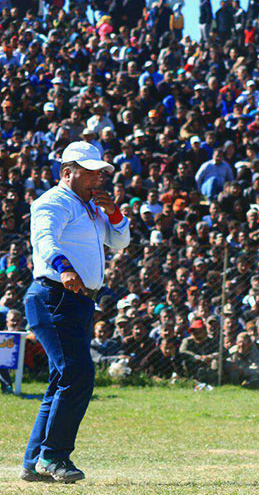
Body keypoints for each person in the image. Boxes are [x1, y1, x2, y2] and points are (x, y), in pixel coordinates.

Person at [21, 141, 130, 483]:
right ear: (67, 172)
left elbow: (120, 242)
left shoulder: (92, 206)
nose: (98, 177)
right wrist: (64, 267)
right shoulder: (53, 201)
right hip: (55, 294)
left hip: (76, 300)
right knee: (77, 375)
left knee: (63, 379)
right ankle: (53, 458)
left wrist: (114, 214)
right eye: (91, 171)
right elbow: (44, 239)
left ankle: (34, 460)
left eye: (101, 171)